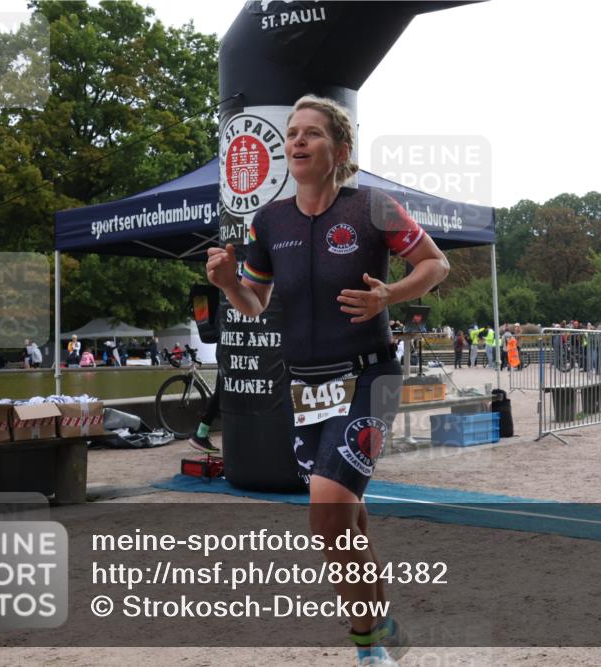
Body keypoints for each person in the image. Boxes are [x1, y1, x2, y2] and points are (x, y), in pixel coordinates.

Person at [206, 95, 447, 666]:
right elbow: (255, 302)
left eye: (311, 133)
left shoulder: (374, 207)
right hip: (306, 386)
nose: (296, 142)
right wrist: (225, 283)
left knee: (326, 510)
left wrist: (389, 293)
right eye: (291, 133)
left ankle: (368, 650)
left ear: (339, 150)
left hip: (369, 374)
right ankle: (383, 621)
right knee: (346, 516)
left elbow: (435, 265)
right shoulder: (270, 221)